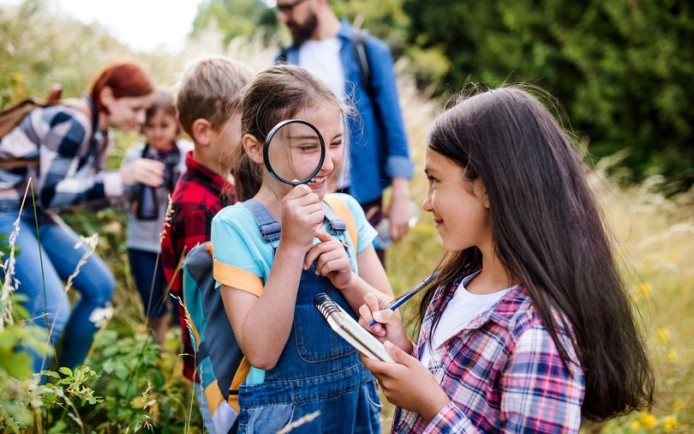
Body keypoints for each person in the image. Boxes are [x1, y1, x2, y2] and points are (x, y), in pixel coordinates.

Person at [359, 85, 655, 433]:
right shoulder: (453, 288)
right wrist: (403, 352)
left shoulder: (538, 335)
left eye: (435, 181)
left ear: (485, 186)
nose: (426, 202)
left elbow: (439, 401)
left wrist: (432, 406)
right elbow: (452, 382)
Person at [211, 64, 392, 434]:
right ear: (255, 149)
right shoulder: (234, 226)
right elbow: (261, 351)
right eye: (309, 147)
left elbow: (388, 323)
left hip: (356, 407)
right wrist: (291, 247)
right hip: (284, 419)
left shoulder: (346, 211)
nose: (328, 162)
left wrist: (349, 281)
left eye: (338, 143)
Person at [0, 59, 161, 373]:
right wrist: (120, 178)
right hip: (5, 209)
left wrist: (127, 191)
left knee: (100, 286)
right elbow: (52, 193)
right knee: (50, 307)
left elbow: (78, 198)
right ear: (108, 96)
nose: (140, 119)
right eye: (135, 108)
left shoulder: (100, 137)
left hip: (33, 212)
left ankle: (64, 383)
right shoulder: (73, 121)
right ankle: (24, 407)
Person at [275, 0, 414, 265]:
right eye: (280, 9)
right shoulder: (285, 60)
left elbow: (393, 124)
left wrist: (400, 195)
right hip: (308, 194)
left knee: (369, 279)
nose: (284, 17)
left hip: (364, 194)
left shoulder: (368, 51)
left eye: (289, 7)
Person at [159, 55, 254, 433]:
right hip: (220, 366)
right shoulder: (198, 205)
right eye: (244, 125)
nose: (253, 136)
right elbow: (211, 302)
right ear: (204, 131)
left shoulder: (220, 185)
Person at [122, 89, 192, 345]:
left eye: (164, 125)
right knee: (153, 305)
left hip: (178, 245)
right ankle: (155, 356)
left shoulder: (187, 154)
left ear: (177, 124)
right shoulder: (135, 156)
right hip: (142, 243)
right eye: (150, 126)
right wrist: (137, 194)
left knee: (184, 308)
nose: (158, 132)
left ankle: (186, 359)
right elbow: (120, 199)